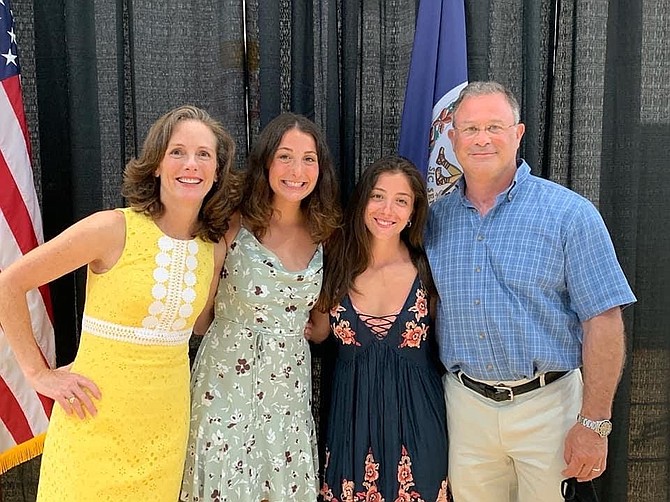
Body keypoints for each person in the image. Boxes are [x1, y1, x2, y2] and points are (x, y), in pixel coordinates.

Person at [0, 105, 240, 500]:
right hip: (93, 423)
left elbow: (200, 324)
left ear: (216, 171)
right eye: (177, 151)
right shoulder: (111, 228)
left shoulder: (212, 249)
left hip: (164, 432)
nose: (190, 164)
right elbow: (9, 284)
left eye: (203, 154)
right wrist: (38, 374)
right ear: (157, 164)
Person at [425, 81, 636, 501]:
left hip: (550, 407)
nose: (482, 138)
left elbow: (604, 322)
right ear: (452, 138)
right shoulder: (433, 220)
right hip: (466, 409)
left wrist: (594, 424)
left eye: (494, 127)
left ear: (518, 134)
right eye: (469, 129)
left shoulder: (570, 215)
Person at [180, 113, 341, 501]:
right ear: (266, 161)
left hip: (287, 389)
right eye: (285, 156)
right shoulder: (232, 223)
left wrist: (287, 327)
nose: (296, 170)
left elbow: (319, 327)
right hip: (225, 382)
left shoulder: (327, 233)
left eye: (308, 159)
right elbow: (201, 322)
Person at [312, 156, 450, 502]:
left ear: (413, 211)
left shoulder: (429, 269)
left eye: (401, 200)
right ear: (362, 201)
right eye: (378, 196)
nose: (387, 209)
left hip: (421, 428)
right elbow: (316, 332)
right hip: (351, 429)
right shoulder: (334, 266)